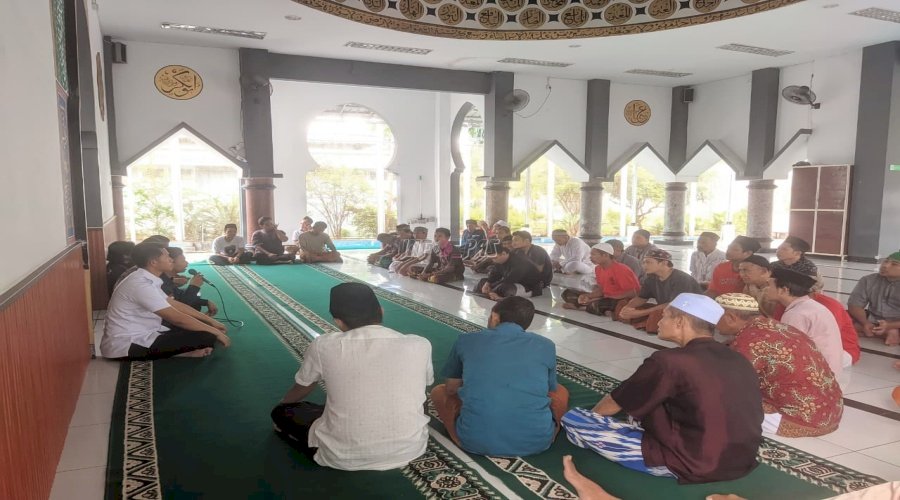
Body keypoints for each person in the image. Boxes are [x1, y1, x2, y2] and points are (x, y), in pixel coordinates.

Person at [563, 293, 763, 484]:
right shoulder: (737, 357)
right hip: (742, 458)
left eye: (664, 315)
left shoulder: (668, 361)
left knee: (574, 418)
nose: (658, 321)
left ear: (680, 322)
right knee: (648, 400)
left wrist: (593, 420)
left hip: (691, 463)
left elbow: (615, 403)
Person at [270, 283, 433, 470]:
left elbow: (303, 387)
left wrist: (284, 403)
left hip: (340, 456)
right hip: (411, 449)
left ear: (338, 321)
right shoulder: (419, 344)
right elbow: (423, 392)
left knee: (284, 413)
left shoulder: (324, 345)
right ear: (381, 311)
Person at [431, 296, 569, 456]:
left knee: (439, 392)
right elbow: (549, 389)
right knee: (561, 392)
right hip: (537, 442)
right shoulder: (546, 345)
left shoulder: (466, 340)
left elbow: (451, 388)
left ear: (495, 317)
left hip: (474, 441)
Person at [715, 293, 843, 437]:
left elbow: (730, 384)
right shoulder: (773, 326)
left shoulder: (749, 340)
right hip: (831, 412)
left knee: (716, 402)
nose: (713, 323)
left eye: (715, 318)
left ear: (731, 318)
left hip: (800, 419)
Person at [100, 242, 230, 360]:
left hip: (148, 332)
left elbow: (176, 305)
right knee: (207, 336)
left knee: (203, 327)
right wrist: (215, 331)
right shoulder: (140, 284)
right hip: (126, 345)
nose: (171, 259)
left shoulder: (146, 278)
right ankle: (178, 353)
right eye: (167, 256)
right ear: (153, 262)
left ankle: (179, 352)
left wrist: (211, 322)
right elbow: (177, 318)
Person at [764, 267, 844, 380]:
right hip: (828, 371)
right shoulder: (809, 306)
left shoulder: (796, 314)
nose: (765, 289)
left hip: (818, 377)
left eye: (769, 285)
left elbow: (788, 352)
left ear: (783, 290)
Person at [617, 249, 703, 334]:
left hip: (688, 312)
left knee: (657, 315)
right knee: (623, 304)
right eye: (644, 262)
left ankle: (647, 321)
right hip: (665, 309)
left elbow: (674, 305)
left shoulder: (681, 279)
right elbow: (641, 298)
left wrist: (640, 313)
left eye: (648, 262)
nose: (644, 266)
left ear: (664, 263)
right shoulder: (651, 277)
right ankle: (644, 320)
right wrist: (627, 308)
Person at [561, 243, 640, 318]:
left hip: (621, 299)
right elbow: (602, 290)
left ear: (605, 255)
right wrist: (587, 296)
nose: (590, 257)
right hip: (606, 297)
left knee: (598, 304)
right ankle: (593, 307)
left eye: (593, 255)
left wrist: (599, 299)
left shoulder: (621, 269)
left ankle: (581, 307)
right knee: (567, 293)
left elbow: (632, 293)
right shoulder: (598, 269)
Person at [848, 252, 900, 346]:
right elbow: (854, 305)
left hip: (897, 322)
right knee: (839, 318)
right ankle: (885, 333)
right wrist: (865, 323)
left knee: (850, 328)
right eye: (885, 261)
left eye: (894, 264)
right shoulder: (868, 280)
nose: (885, 265)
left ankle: (874, 331)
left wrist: (890, 326)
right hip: (871, 319)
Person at [161, 247, 218, 316]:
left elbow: (178, 298)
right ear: (170, 262)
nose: (187, 263)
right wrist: (194, 286)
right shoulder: (161, 284)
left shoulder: (166, 279)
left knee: (194, 295)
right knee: (193, 296)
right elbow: (182, 307)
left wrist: (206, 302)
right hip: (166, 323)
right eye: (183, 260)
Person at [476, 245, 543, 299]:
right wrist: (487, 284)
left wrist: (491, 290)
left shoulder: (520, 261)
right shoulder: (500, 261)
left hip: (529, 287)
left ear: (503, 253)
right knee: (483, 281)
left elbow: (510, 279)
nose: (493, 261)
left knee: (505, 287)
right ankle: (485, 295)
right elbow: (495, 274)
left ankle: (494, 297)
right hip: (511, 283)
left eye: (494, 258)